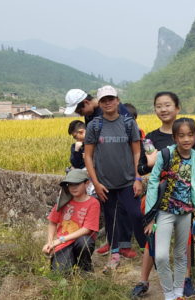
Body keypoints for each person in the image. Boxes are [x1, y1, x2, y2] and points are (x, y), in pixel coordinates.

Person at [133, 92, 195, 298]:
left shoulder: (186, 131)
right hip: (159, 200)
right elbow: (143, 167)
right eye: (159, 106)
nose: (163, 109)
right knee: (152, 240)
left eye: (168, 105)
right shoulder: (151, 138)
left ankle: (185, 280)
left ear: (177, 108)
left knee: (184, 240)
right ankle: (144, 281)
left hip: (182, 198)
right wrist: (152, 162)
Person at [145, 117, 195, 300]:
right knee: (161, 256)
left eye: (190, 135)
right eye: (181, 135)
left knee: (181, 255)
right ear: (175, 138)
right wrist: (150, 216)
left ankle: (178, 293)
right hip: (164, 212)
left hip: (186, 213)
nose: (186, 139)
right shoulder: (166, 154)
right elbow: (153, 182)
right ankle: (168, 293)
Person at [83, 85, 146, 272]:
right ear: (99, 103)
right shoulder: (94, 125)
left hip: (127, 180)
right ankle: (115, 253)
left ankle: (146, 249)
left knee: (135, 214)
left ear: (118, 100)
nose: (108, 102)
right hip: (105, 183)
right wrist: (96, 183)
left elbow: (136, 151)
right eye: (104, 100)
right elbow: (88, 156)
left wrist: (137, 178)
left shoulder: (128, 123)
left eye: (111, 99)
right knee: (110, 217)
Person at [43, 169, 100, 274]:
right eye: (70, 184)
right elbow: (52, 221)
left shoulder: (93, 203)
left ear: (86, 183)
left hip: (78, 240)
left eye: (77, 184)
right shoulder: (63, 200)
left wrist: (60, 240)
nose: (73, 187)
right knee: (59, 274)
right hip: (64, 244)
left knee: (85, 242)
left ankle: (85, 268)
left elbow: (87, 229)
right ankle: (71, 262)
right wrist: (50, 242)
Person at [64, 88, 131, 125]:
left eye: (81, 112)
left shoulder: (112, 108)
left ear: (86, 102)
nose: (81, 115)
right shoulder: (89, 115)